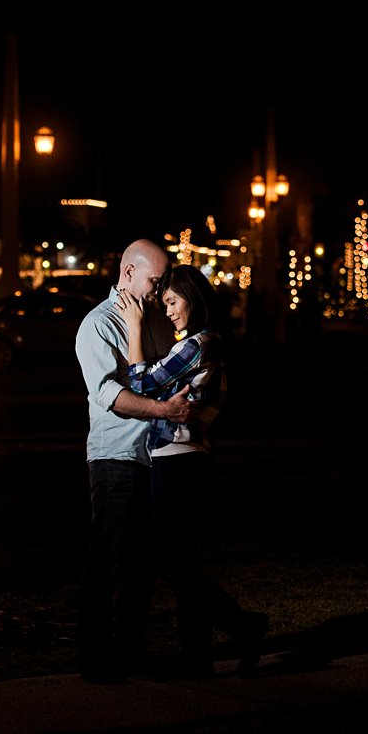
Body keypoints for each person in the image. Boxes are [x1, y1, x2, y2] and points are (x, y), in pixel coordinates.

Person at [118, 264, 269, 679]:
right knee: (182, 561)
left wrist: (133, 328)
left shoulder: (199, 343)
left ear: (192, 298)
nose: (166, 311)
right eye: (162, 302)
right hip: (182, 457)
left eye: (172, 301)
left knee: (175, 562)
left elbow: (142, 383)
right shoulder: (199, 343)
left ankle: (242, 626)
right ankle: (199, 653)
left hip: (179, 459)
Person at [73, 239, 196, 684]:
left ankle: (130, 648)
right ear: (128, 274)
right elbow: (110, 395)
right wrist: (164, 410)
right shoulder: (99, 325)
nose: (160, 289)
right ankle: (94, 656)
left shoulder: (154, 320)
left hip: (156, 454)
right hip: (117, 455)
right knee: (108, 556)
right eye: (154, 280)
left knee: (143, 561)